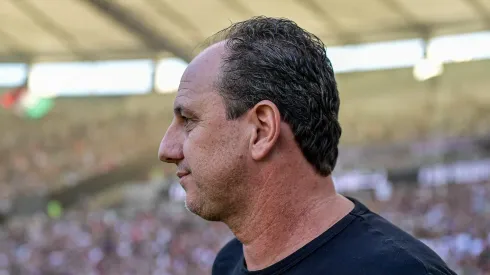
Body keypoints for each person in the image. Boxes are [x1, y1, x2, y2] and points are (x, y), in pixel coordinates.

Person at [158, 16, 457, 275]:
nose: (166, 150)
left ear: (262, 130)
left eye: (188, 120)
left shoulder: (401, 271)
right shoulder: (228, 262)